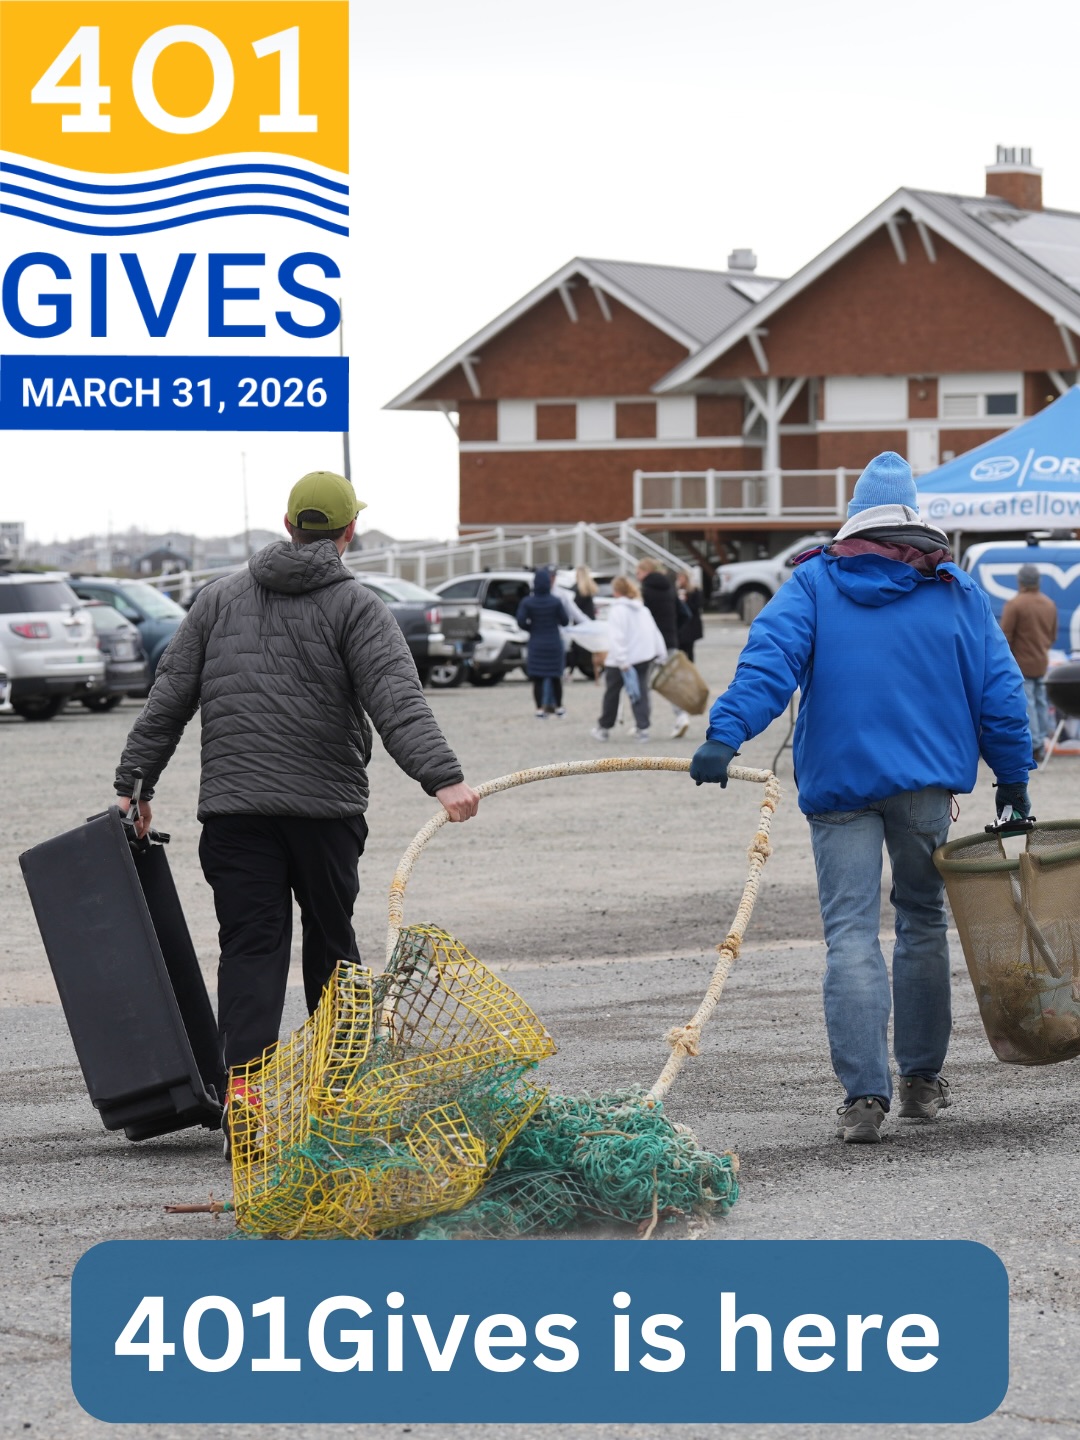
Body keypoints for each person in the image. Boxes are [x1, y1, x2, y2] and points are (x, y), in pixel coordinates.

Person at [112, 471, 480, 1140]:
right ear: (348, 533)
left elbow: (168, 698)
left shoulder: (218, 599)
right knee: (332, 947)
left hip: (234, 811)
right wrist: (443, 779)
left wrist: (134, 787)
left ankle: (245, 1103)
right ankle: (336, 1098)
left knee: (251, 949)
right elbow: (398, 701)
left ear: (287, 526)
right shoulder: (357, 606)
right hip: (325, 813)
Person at [689, 451, 1032, 1144]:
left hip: (840, 787)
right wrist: (1014, 784)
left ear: (855, 516)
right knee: (922, 923)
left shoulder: (813, 582)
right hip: (926, 788)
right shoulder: (953, 589)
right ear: (914, 519)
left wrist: (724, 738)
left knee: (849, 935)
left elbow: (769, 663)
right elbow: (999, 691)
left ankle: (862, 1100)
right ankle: (921, 1083)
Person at [591, 575, 666, 743]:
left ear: (616, 591)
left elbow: (617, 637)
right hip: (643, 657)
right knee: (640, 693)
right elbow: (654, 632)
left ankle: (604, 728)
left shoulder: (617, 611)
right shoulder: (642, 609)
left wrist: (622, 660)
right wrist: (661, 653)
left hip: (620, 662)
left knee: (612, 694)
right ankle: (643, 728)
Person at [1000, 563, 1058, 765]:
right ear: (1038, 582)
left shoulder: (1015, 605)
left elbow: (1004, 637)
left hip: (1021, 664)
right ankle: (1042, 739)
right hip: (1042, 661)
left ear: (1021, 581)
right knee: (1041, 702)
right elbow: (1052, 636)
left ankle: (1034, 746)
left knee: (1029, 704)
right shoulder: (1049, 604)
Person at [637, 558, 691, 739]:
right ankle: (681, 716)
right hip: (670, 640)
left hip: (649, 644)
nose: (637, 576)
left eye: (638, 572)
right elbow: (685, 613)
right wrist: (675, 630)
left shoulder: (643, 591)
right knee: (671, 682)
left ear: (646, 572)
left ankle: (642, 722)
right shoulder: (669, 588)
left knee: (643, 684)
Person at [516, 568, 569, 716]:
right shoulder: (555, 601)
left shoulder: (527, 602)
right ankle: (558, 707)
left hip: (536, 642)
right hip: (553, 642)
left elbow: (520, 621)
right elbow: (565, 621)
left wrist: (531, 627)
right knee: (555, 677)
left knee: (537, 678)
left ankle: (539, 709)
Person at [676, 569, 705, 662]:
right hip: (681, 625)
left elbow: (697, 606)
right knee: (680, 649)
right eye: (678, 578)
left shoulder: (694, 590)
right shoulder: (676, 590)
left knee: (689, 649)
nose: (680, 580)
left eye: (681, 577)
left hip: (692, 624)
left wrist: (686, 601)